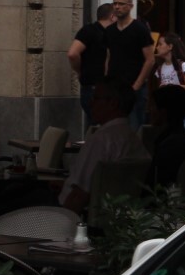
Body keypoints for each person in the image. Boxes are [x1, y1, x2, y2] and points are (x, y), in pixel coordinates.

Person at [58, 77, 149, 214]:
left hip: (77, 217)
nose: (91, 103)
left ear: (112, 103)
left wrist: (62, 224)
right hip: (118, 215)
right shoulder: (133, 139)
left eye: (96, 98)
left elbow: (79, 195)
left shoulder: (101, 140)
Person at [103, 0, 155, 130]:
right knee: (112, 128)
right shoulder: (110, 31)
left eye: (121, 4)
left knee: (133, 129)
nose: (117, 7)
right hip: (115, 88)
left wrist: (136, 85)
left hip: (134, 89)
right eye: (115, 3)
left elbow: (150, 60)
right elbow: (108, 57)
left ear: (131, 6)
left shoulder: (140, 29)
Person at [67, 2, 114, 127]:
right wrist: (79, 71)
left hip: (96, 87)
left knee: (96, 127)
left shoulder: (104, 33)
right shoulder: (90, 31)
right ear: (112, 16)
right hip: (94, 87)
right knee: (100, 127)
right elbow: (72, 53)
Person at [146, 84, 185, 189]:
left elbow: (154, 186)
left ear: (163, 112)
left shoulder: (170, 145)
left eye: (152, 105)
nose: (149, 110)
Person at [151, 33, 185, 130]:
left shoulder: (182, 66)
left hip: (180, 108)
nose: (157, 47)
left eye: (160, 44)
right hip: (165, 109)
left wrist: (173, 86)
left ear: (170, 46)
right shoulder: (159, 69)